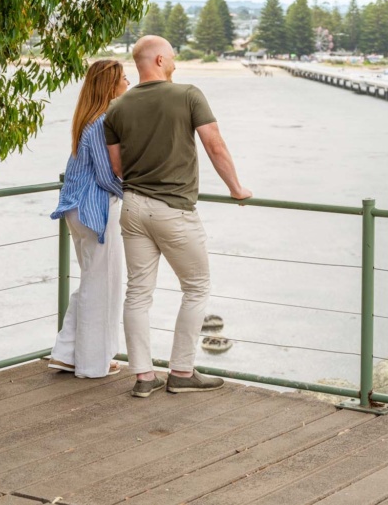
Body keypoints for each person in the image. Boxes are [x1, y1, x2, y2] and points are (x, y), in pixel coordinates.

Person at [105, 35, 252, 398]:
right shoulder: (188, 94)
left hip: (133, 206)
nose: (175, 62)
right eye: (171, 57)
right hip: (172, 209)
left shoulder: (117, 107)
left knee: (137, 294)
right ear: (157, 60)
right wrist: (236, 188)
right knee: (197, 288)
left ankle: (143, 377)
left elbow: (117, 167)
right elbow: (214, 144)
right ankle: (182, 371)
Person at [49, 60, 130, 377]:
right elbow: (108, 176)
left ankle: (67, 353)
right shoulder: (101, 123)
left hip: (77, 209)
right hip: (95, 210)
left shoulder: (87, 120)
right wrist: (134, 191)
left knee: (93, 282)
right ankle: (92, 364)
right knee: (102, 286)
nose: (128, 81)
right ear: (111, 85)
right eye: (124, 77)